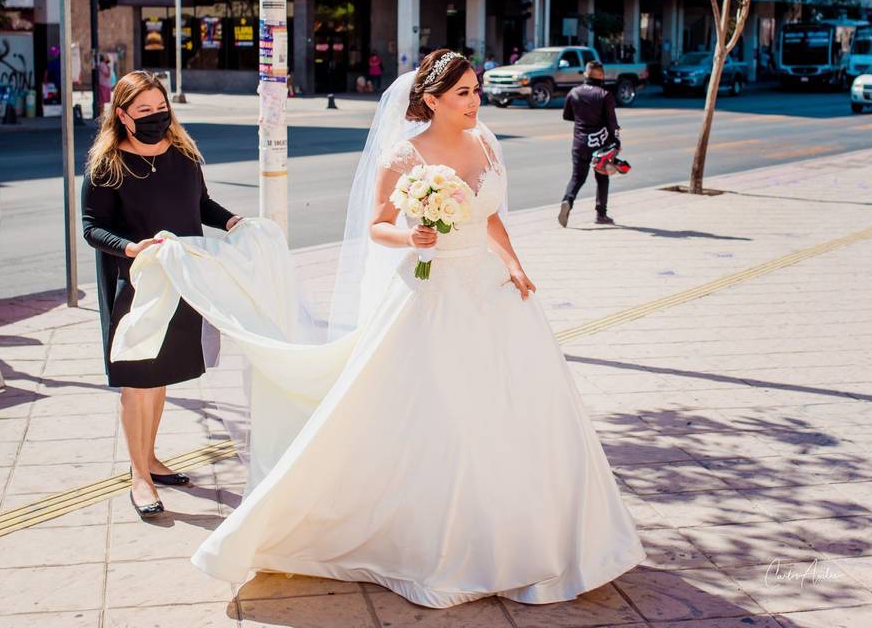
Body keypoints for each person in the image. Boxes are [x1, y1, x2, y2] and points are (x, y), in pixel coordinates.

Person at [111, 49, 645, 608]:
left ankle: (531, 533)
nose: (474, 100)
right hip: (431, 293)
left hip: (491, 292)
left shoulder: (486, 141)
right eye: (462, 93)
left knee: (519, 408)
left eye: (476, 90)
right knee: (439, 412)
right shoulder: (404, 154)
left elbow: (489, 214)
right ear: (432, 100)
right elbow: (378, 227)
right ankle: (440, 537)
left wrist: (512, 263)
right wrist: (413, 239)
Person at [80, 70, 243, 520]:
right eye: (144, 110)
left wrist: (232, 221)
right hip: (133, 286)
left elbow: (199, 205)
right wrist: (130, 248)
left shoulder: (183, 155)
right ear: (123, 115)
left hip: (181, 281)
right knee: (137, 381)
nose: (156, 117)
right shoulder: (108, 166)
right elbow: (92, 227)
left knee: (160, 375)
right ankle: (139, 476)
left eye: (160, 108)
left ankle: (149, 458)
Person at [559, 60, 619, 227]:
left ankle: (567, 201)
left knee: (577, 177)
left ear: (586, 74)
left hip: (579, 143)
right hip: (600, 143)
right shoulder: (604, 94)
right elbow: (611, 123)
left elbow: (567, 116)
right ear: (601, 75)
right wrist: (616, 141)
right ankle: (601, 214)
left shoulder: (574, 92)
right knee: (602, 177)